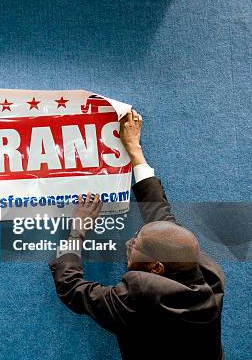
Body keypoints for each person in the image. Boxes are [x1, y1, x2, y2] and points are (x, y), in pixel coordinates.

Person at [50, 110, 225, 360]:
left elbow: (73, 289)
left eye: (136, 246)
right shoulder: (209, 275)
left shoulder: (139, 297)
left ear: (155, 268)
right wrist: (135, 151)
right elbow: (164, 223)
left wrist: (77, 231)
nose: (130, 241)